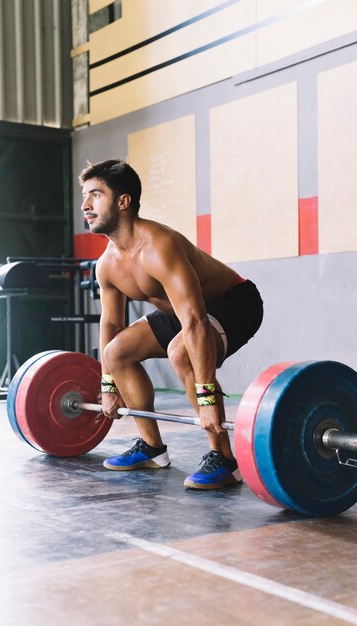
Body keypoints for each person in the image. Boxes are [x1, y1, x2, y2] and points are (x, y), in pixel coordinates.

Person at [79, 159, 263, 489]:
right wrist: (108, 386)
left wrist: (206, 399)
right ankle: (152, 449)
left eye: (95, 195)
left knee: (182, 351)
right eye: (84, 196)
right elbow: (111, 324)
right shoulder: (106, 264)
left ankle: (224, 457)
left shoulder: (159, 247)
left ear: (123, 201)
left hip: (235, 301)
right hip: (183, 312)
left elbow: (193, 321)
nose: (85, 205)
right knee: (117, 352)